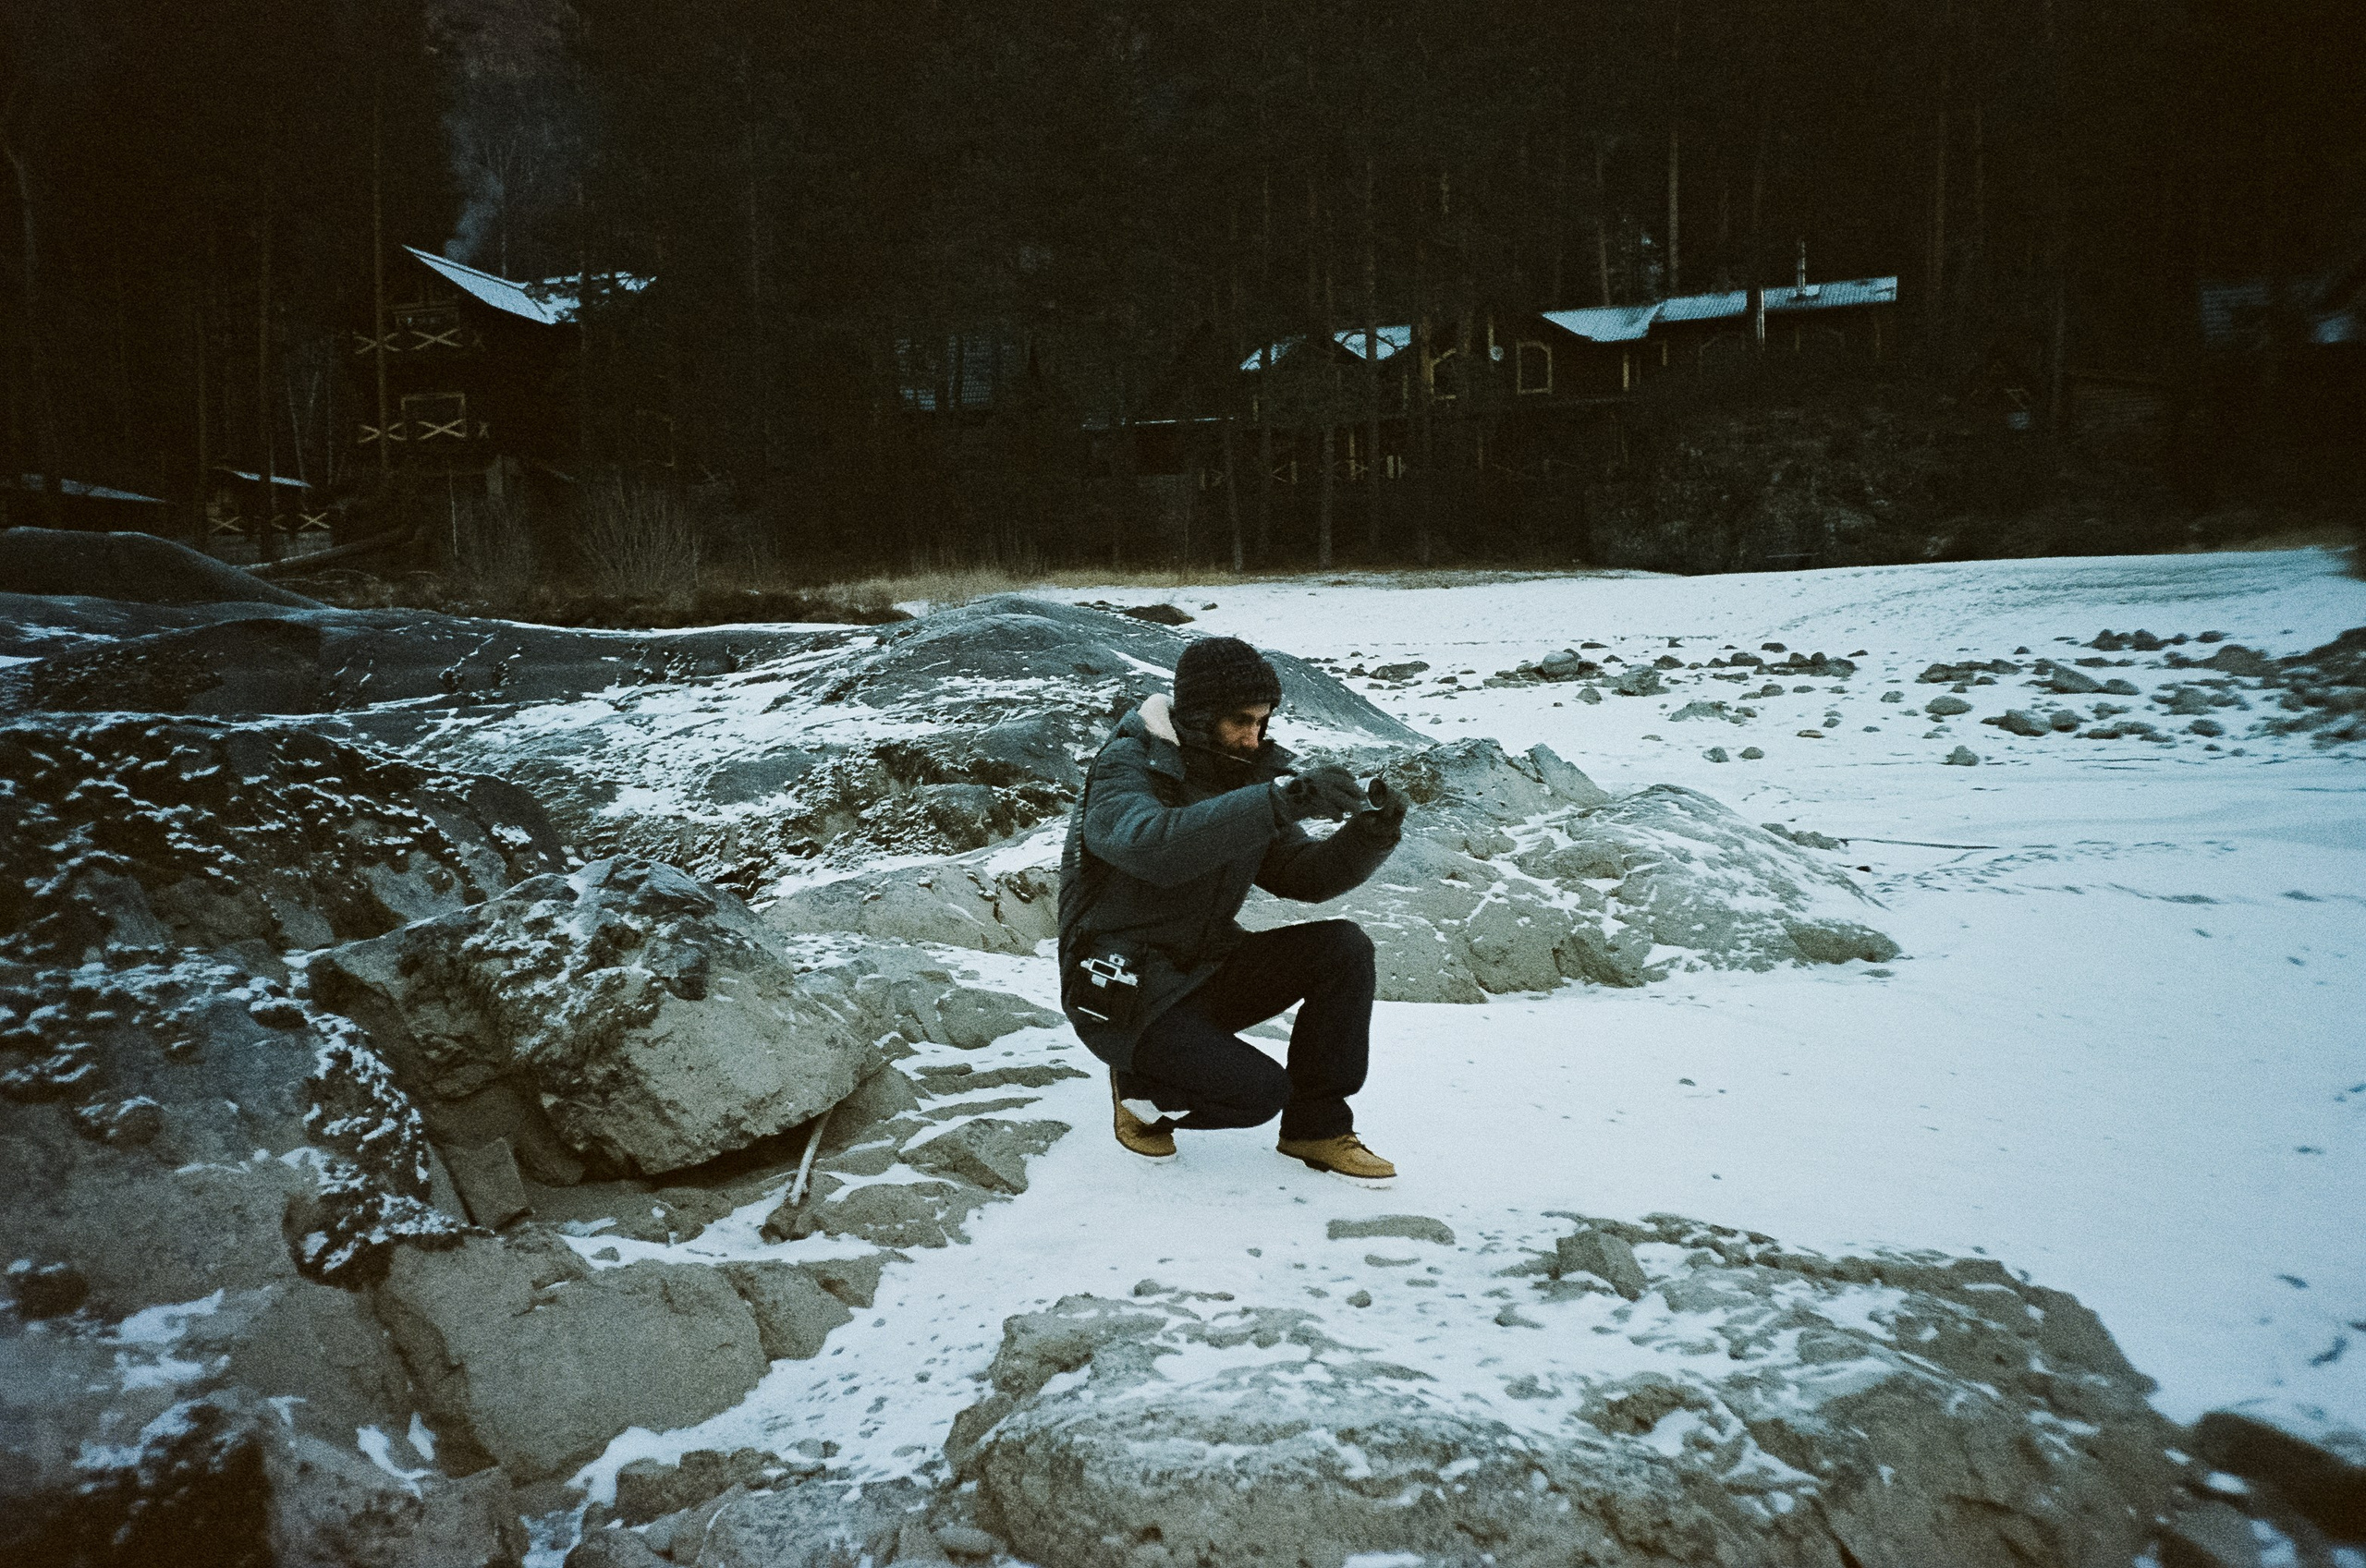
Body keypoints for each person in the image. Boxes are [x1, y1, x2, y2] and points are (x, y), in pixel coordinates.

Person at [1056, 635, 1408, 1181]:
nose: (1255, 737)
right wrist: (1281, 800)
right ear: (1199, 716)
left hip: (1203, 969)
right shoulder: (1126, 764)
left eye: (1263, 722)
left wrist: (1369, 836)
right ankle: (1141, 1093)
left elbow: (1301, 875)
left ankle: (1317, 1130)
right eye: (1241, 722)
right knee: (1256, 1095)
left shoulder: (1242, 772)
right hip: (1124, 992)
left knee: (1343, 947)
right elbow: (1150, 846)